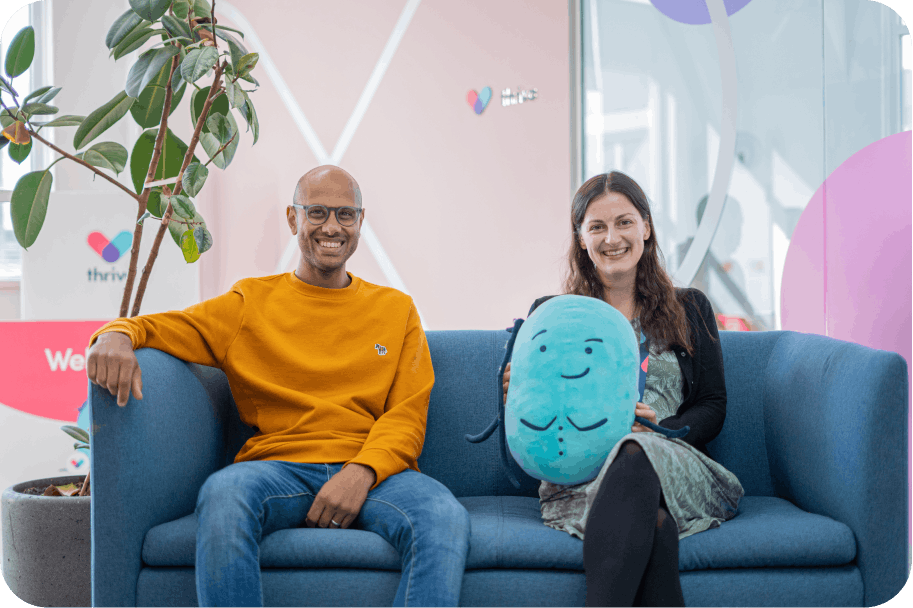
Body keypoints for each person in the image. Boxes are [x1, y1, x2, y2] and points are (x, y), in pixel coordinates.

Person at [86, 165, 471, 608]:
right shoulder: (250, 303)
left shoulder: (396, 309)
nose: (332, 226)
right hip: (277, 469)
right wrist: (115, 334)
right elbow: (161, 327)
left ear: (360, 222)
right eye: (318, 212)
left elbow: (407, 413)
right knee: (224, 496)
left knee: (442, 516)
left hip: (375, 471)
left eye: (345, 214)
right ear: (293, 219)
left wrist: (360, 473)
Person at [502, 172, 744, 607]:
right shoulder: (553, 315)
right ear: (580, 238)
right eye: (596, 227)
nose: (611, 237)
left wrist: (663, 430)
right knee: (656, 528)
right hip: (582, 473)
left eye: (624, 222)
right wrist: (519, 392)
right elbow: (532, 407)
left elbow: (713, 405)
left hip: (671, 460)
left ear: (646, 228)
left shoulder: (691, 308)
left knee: (634, 448)